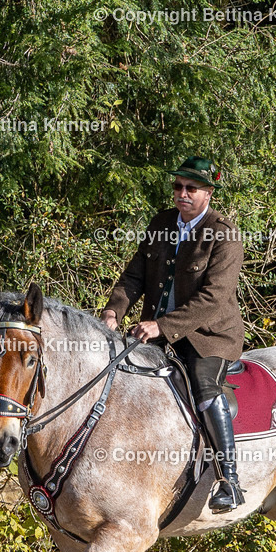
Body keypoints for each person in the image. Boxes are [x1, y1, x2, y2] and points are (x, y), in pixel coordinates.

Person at [101, 155, 246, 513]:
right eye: (178, 186)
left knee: (204, 386)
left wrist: (162, 325)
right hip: (156, 332)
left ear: (208, 193)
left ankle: (230, 479)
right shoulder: (162, 222)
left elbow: (213, 297)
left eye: (191, 188)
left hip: (208, 336)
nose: (182, 193)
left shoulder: (224, 235)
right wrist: (113, 310)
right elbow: (134, 275)